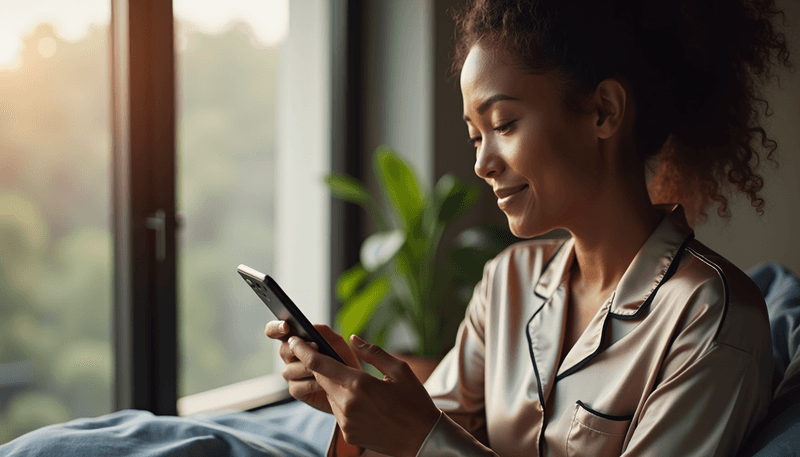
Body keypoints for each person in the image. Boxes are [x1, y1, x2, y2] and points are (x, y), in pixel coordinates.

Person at [265, 0, 792, 455]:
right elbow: (422, 437)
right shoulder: (505, 285)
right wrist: (351, 400)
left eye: (503, 125)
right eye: (475, 136)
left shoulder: (710, 318)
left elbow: (427, 440)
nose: (481, 163)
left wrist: (422, 437)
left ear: (604, 111)